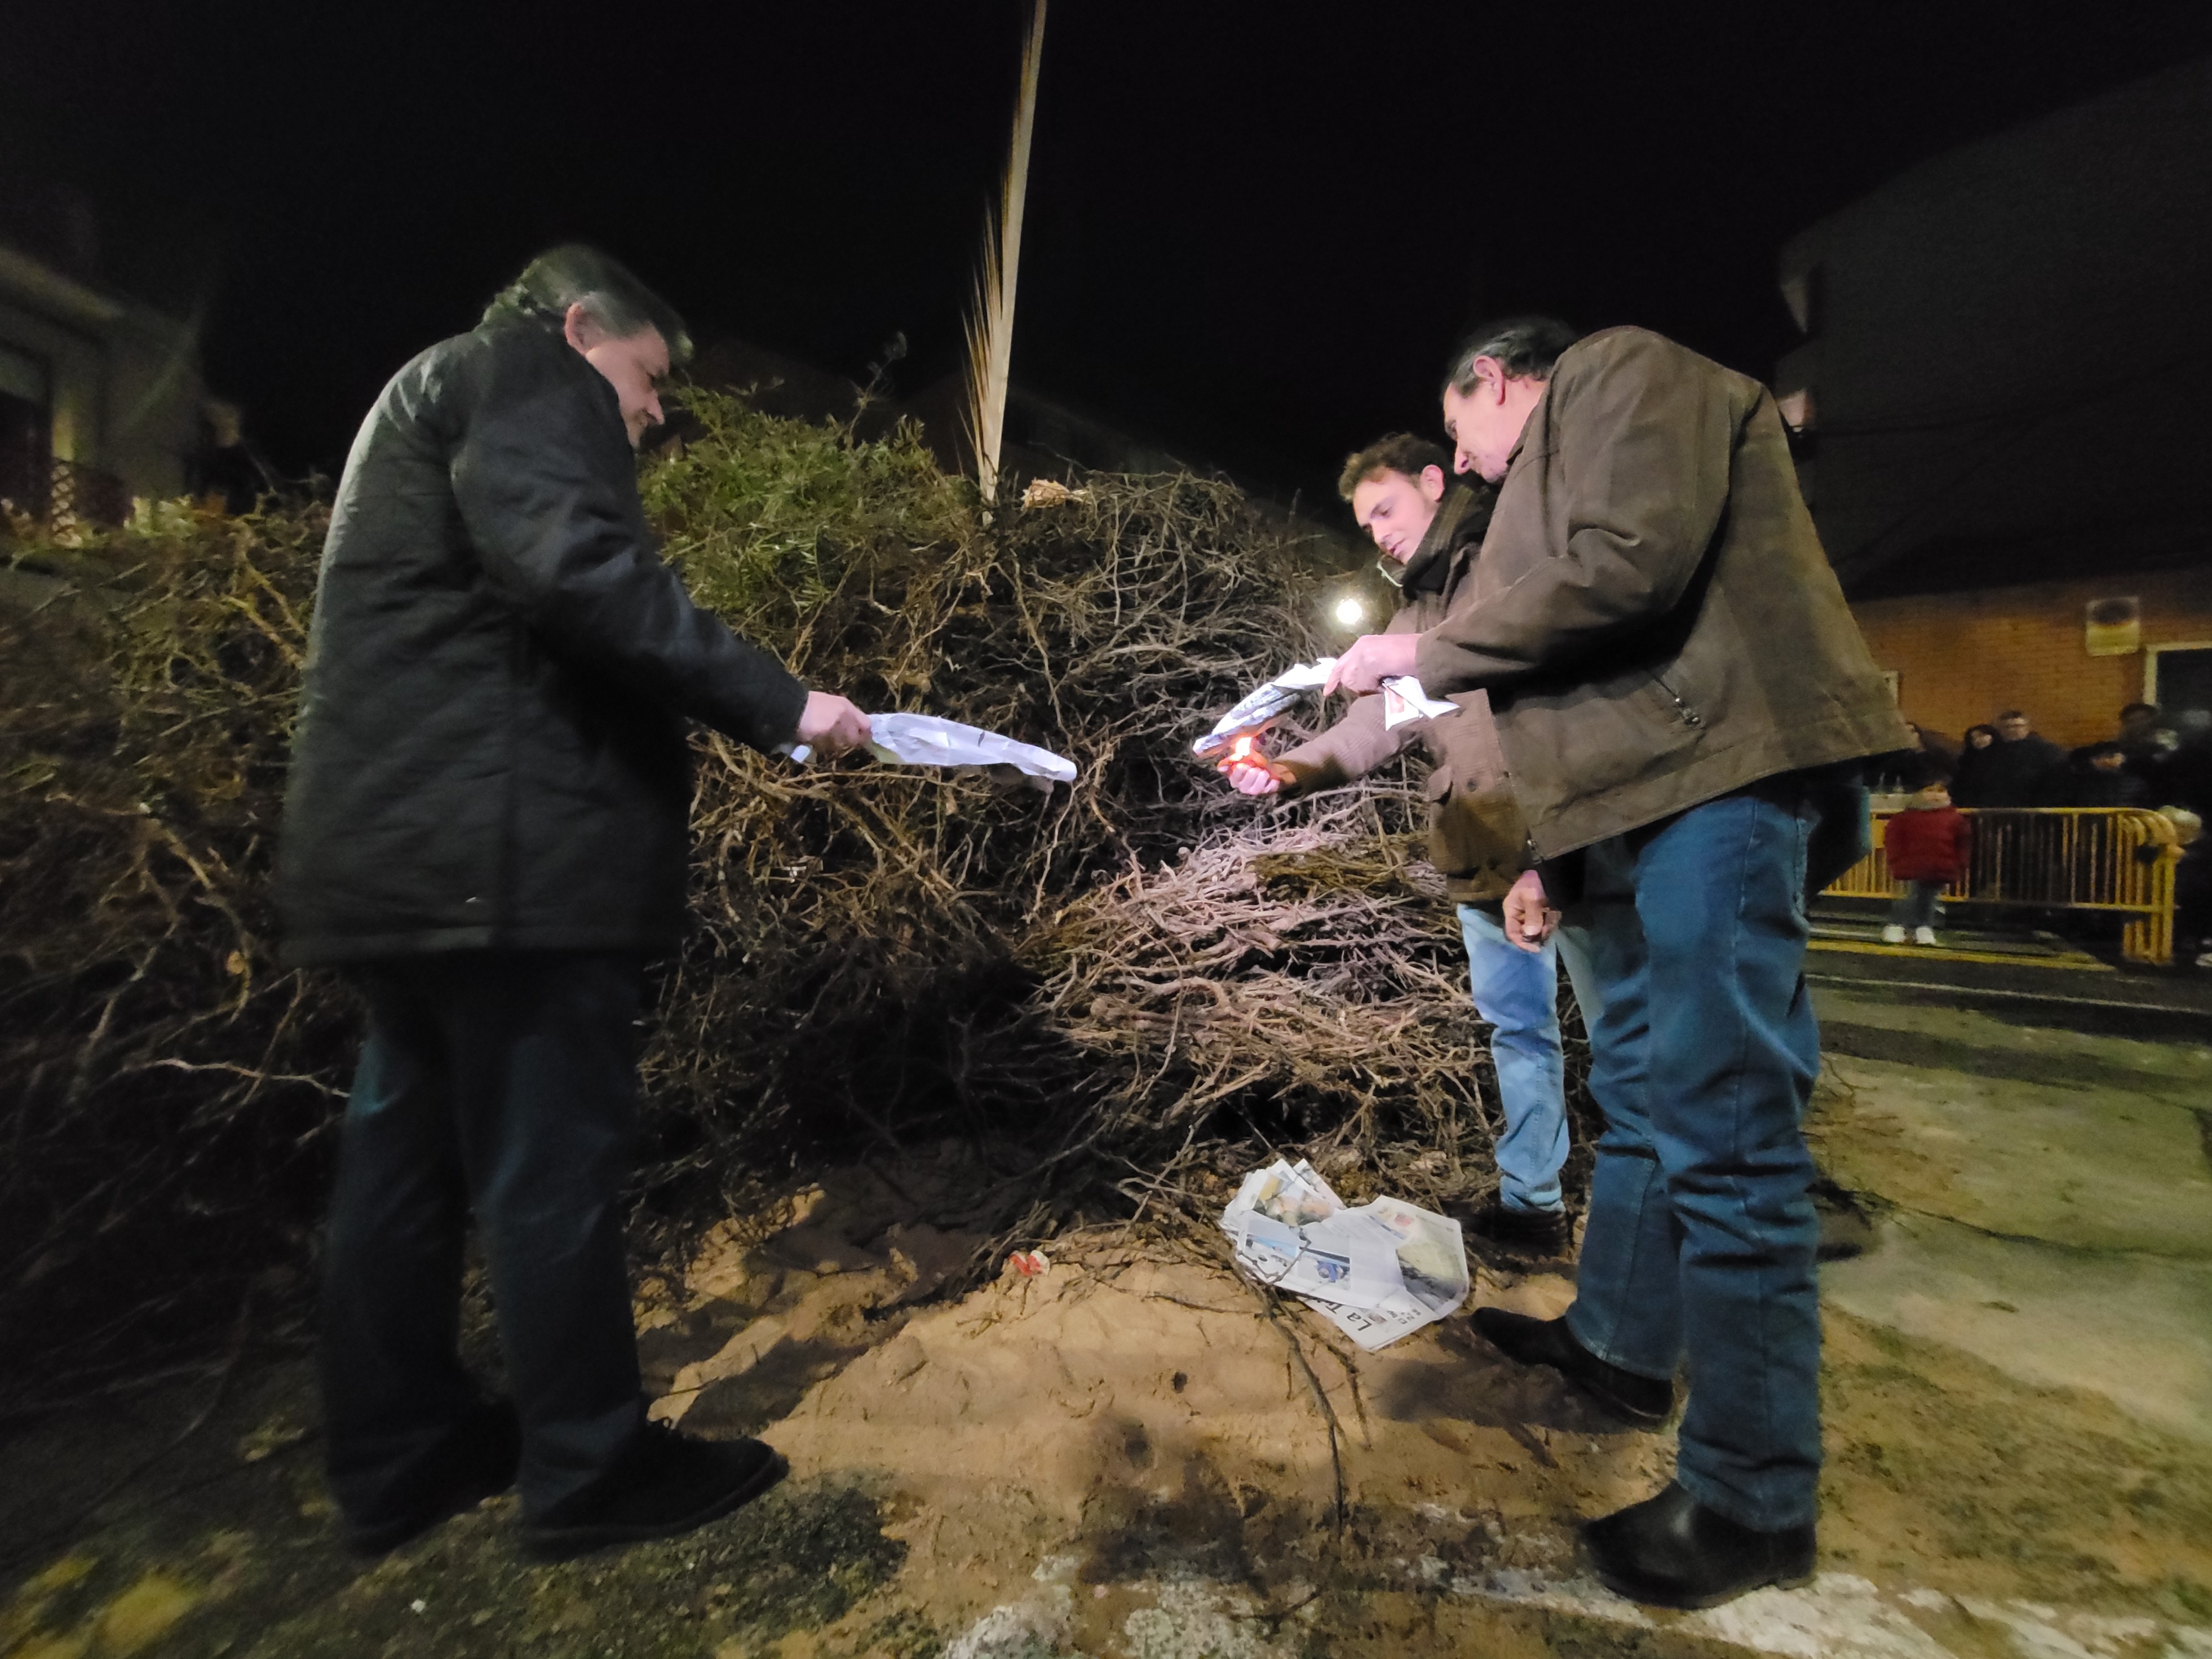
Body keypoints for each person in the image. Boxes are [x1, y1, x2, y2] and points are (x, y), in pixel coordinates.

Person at [278, 246, 873, 1562]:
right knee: (549, 1161)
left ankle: (399, 1454)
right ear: (581, 325)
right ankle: (589, 1467)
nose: (655, 411)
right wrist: (786, 703)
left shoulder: (425, 392)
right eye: (649, 377)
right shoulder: (525, 374)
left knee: (406, 1166)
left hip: (400, 857)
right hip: (513, 861)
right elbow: (579, 572)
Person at [1330, 317, 1911, 1609]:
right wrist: (1319, 745)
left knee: (1725, 1127)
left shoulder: (1617, 372)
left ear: (1495, 381)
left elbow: (1624, 571)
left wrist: (1411, 654)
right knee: (1647, 1101)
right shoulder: (1533, 480)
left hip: (1719, 777)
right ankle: (1618, 1344)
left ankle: (1753, 1498)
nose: (1469, 469)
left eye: (1466, 437)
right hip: (1636, 802)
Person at [1220, 434, 1591, 1255]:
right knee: (1521, 1032)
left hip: (1574, 843)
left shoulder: (1515, 557)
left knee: (1628, 1034)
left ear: (1435, 481)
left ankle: (1677, 1216)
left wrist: (1556, 847)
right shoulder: (1414, 612)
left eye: (1386, 509)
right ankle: (1534, 1208)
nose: (1379, 533)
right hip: (1482, 849)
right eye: (1365, 524)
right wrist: (1288, 768)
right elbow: (1373, 727)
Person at [1881, 781, 1971, 945]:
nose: (1936, 795)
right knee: (1909, 898)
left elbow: (1963, 843)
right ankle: (1896, 925)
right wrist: (1896, 860)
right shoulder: (1905, 818)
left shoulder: (1954, 818)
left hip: (1939, 867)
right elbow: (1893, 839)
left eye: (1941, 791)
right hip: (1910, 867)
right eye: (1930, 790)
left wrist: (1959, 864)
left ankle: (1923, 927)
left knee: (1929, 899)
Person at [1973, 709, 2065, 806]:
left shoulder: (2047, 751)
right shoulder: (1989, 753)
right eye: (2007, 727)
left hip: (2035, 807)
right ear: (1999, 730)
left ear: (2027, 728)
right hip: (1999, 807)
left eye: (2018, 726)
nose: (2012, 730)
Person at [2065, 741, 2151, 808]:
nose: (2106, 761)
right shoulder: (2135, 781)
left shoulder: (2082, 781)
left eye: (2111, 756)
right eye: (2102, 757)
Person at [1948, 723, 2000, 806]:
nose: (1978, 740)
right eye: (1973, 738)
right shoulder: (1966, 760)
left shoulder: (2002, 756)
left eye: (1981, 735)